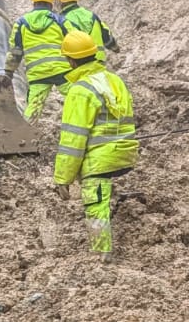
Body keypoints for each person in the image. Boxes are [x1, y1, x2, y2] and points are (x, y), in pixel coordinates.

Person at [53, 29, 138, 257]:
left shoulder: (80, 91)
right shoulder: (115, 80)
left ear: (70, 60)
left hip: (100, 159)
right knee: (104, 183)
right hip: (126, 152)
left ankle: (102, 255)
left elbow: (73, 140)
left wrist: (63, 178)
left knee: (95, 202)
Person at [5, 0, 70, 121]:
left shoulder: (21, 23)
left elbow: (15, 52)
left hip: (38, 74)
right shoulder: (59, 20)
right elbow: (74, 41)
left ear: (33, 3)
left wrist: (9, 72)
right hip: (62, 71)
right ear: (50, 3)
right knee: (77, 98)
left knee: (33, 108)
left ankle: (25, 135)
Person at [56, 0, 119, 64]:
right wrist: (114, 47)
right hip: (99, 61)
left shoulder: (62, 21)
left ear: (60, 1)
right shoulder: (91, 15)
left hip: (78, 64)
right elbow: (105, 33)